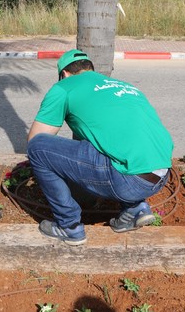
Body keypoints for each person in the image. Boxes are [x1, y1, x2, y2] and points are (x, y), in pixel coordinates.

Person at [27, 49, 174, 245]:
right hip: (161, 175)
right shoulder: (124, 86)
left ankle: (68, 226)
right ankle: (136, 208)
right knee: (112, 145)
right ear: (90, 70)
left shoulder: (64, 87)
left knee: (38, 148)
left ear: (64, 74)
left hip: (128, 181)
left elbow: (36, 139)